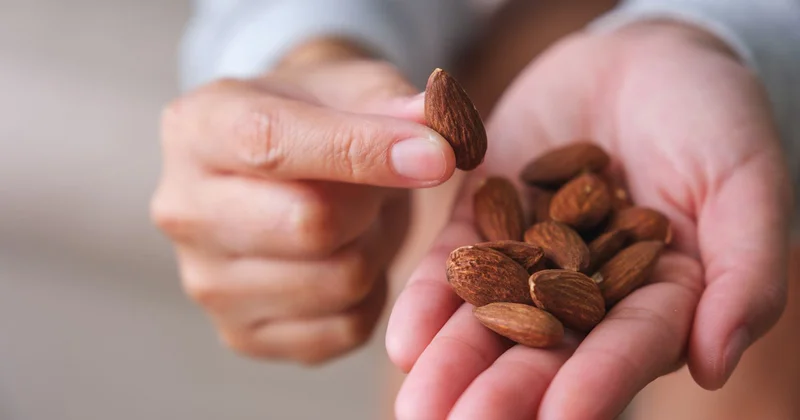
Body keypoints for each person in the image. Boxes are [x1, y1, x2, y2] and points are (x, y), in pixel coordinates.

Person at [151, 0, 800, 418]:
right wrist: (312, 55)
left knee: (751, 371)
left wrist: (722, 36)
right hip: (505, 68)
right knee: (455, 379)